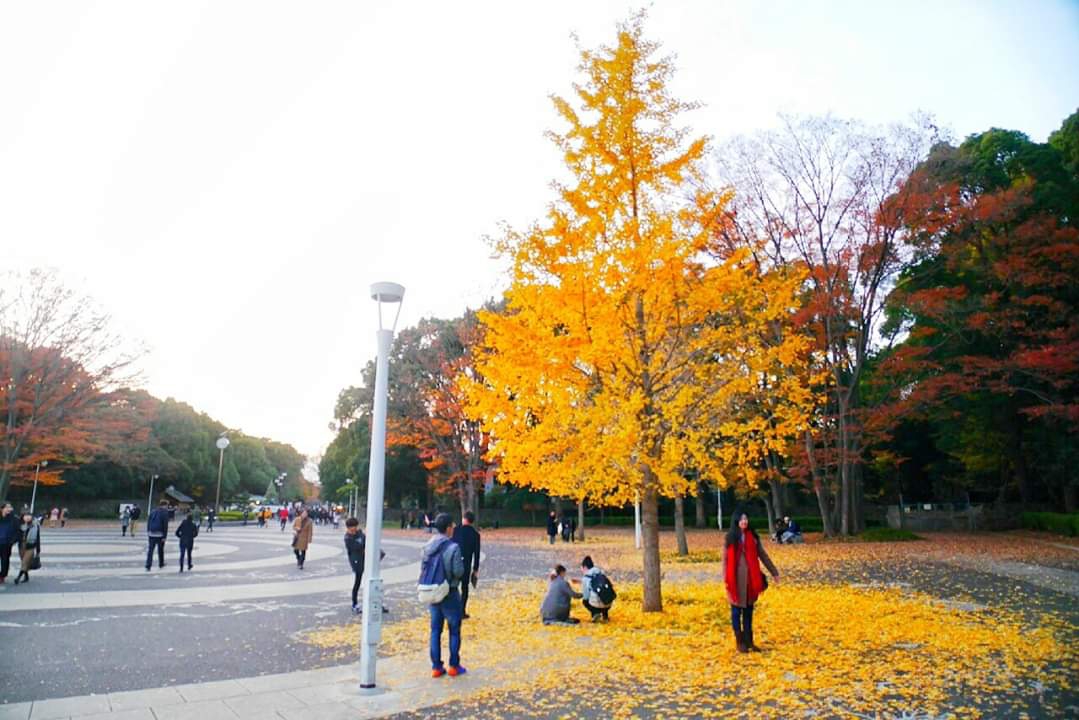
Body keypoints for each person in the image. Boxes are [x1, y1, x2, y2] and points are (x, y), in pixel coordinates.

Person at [723, 510, 780, 653]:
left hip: (750, 581)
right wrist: (726, 580)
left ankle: (749, 642)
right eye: (741, 519)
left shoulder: (753, 538)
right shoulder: (730, 538)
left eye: (746, 519)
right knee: (736, 613)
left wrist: (774, 572)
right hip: (735, 581)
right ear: (736, 521)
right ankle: (740, 641)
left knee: (748, 613)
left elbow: (763, 555)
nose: (744, 521)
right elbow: (725, 561)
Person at [423, 513, 466, 678]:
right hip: (450, 591)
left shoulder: (428, 545)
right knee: (454, 630)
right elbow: (458, 571)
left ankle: (436, 666)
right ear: (448, 528)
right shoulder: (453, 547)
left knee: (435, 630)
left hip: (433, 592)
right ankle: (454, 665)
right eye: (453, 526)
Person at [451, 511, 482, 619]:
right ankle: (462, 610)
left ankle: (452, 609)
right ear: (472, 521)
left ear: (464, 518)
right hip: (466, 565)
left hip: (454, 563)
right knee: (465, 588)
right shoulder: (475, 535)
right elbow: (477, 554)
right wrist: (476, 569)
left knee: (453, 587)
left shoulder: (455, 530)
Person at [580, 555, 613, 622]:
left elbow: (586, 596)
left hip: (596, 605)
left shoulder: (586, 577)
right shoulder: (600, 572)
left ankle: (595, 614)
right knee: (602, 594)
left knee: (585, 601)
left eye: (582, 568)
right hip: (608, 602)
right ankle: (605, 616)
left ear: (585, 567)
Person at [13, 512, 41, 584]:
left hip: (30, 546)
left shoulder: (35, 525)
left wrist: (38, 550)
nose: (27, 517)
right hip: (21, 545)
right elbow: (16, 536)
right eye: (25, 516)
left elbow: (38, 537)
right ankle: (26, 577)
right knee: (24, 562)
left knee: (25, 561)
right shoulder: (19, 525)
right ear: (22, 517)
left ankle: (18, 578)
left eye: (29, 516)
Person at [145, 500, 171, 571]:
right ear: (165, 505)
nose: (167, 507)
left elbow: (149, 521)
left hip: (151, 533)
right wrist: (165, 536)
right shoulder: (164, 513)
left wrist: (148, 531)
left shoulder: (153, 511)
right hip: (160, 534)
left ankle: (148, 565)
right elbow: (165, 525)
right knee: (160, 550)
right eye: (167, 506)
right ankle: (161, 563)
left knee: (150, 550)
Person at [0, 502, 20, 584]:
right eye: (6, 507)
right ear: (2, 508)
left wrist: (13, 541)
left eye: (10, 507)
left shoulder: (14, 518)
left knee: (5, 560)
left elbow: (17, 531)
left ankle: (2, 575)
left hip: (7, 543)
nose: (8, 509)